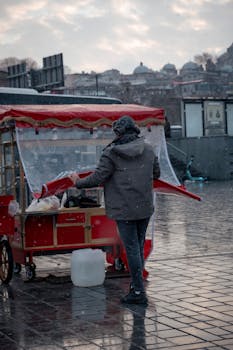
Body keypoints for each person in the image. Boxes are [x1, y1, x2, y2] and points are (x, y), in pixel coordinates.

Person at [69, 115, 160, 305]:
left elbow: (97, 178)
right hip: (143, 206)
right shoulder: (149, 150)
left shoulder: (112, 153)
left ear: (118, 132)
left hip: (124, 208)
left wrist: (77, 182)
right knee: (138, 247)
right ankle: (137, 288)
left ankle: (138, 292)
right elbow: (156, 174)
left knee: (132, 248)